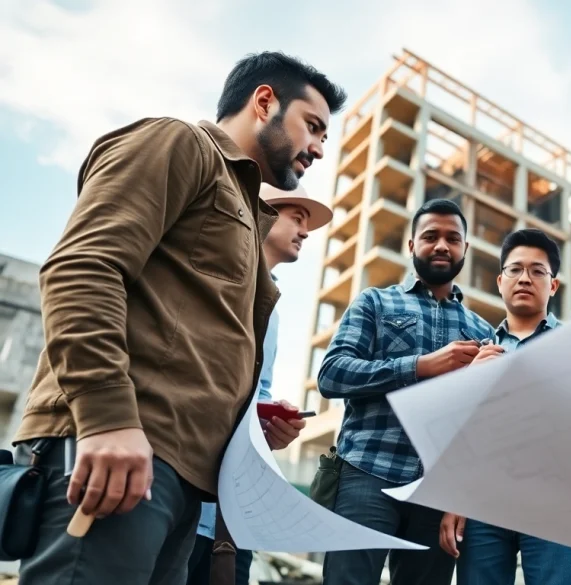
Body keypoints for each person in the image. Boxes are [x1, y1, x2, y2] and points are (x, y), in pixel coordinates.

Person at [12, 51, 346, 585]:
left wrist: (247, 423)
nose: (320, 148)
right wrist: (107, 418)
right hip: (121, 448)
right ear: (265, 102)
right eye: (313, 126)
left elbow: (186, 337)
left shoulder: (247, 214)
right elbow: (83, 267)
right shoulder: (179, 142)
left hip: (181, 479)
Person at [318, 198, 496, 585]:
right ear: (412, 244)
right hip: (367, 472)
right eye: (431, 236)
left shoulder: (483, 332)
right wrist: (420, 365)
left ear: (465, 248)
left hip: (438, 491)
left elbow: (481, 427)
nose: (442, 245)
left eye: (453, 238)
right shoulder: (375, 302)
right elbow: (331, 374)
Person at [186, 182, 333, 585]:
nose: (305, 232)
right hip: (180, 501)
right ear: (261, 211)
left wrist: (270, 428)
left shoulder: (273, 308)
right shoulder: (209, 276)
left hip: (228, 519)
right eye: (297, 218)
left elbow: (257, 392)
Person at [439, 228, 571, 585]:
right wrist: (454, 499)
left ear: (553, 285)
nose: (525, 278)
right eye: (515, 269)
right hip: (482, 505)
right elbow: (458, 436)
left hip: (559, 499)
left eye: (537, 271)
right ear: (500, 281)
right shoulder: (474, 355)